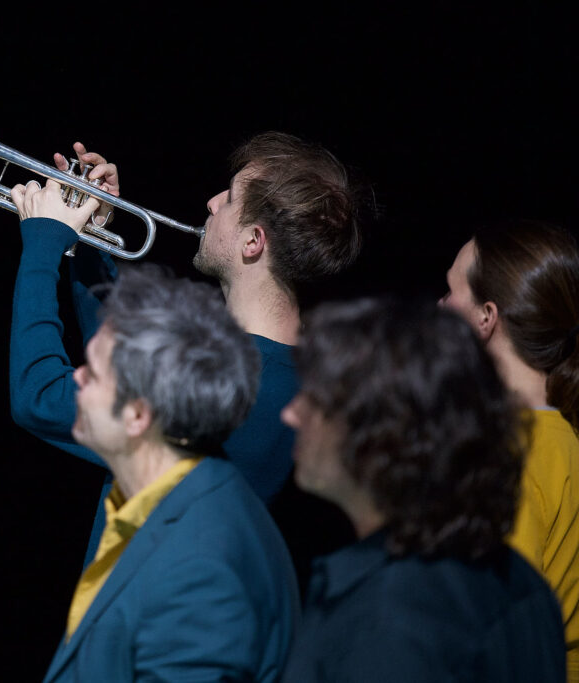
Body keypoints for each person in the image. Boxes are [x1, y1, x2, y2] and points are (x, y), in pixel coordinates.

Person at [9, 134, 363, 573]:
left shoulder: (229, 382)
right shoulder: (285, 370)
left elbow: (39, 397)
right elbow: (120, 364)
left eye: (230, 199)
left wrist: (43, 242)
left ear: (253, 241)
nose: (212, 203)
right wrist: (90, 236)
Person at [279, 298, 566, 682]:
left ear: (380, 433)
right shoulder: (523, 587)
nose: (291, 413)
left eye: (314, 398)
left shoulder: (387, 625)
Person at [41, 265, 298, 683]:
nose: (77, 377)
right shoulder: (156, 506)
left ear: (140, 413)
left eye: (95, 373)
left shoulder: (202, 568)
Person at [440, 219, 579, 680]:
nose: (439, 305)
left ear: (486, 317)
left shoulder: (507, 451)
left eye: (450, 291)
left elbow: (500, 634)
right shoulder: (563, 440)